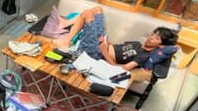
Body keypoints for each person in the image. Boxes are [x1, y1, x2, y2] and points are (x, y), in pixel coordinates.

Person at [50, 5, 178, 71]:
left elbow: (122, 68)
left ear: (161, 46)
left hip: (95, 52)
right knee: (97, 9)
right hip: (101, 44)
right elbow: (116, 48)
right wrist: (104, 40)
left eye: (156, 38)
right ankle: (65, 26)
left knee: (88, 14)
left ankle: (66, 40)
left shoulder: (143, 56)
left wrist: (104, 51)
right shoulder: (138, 44)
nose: (151, 38)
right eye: (153, 34)